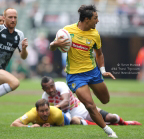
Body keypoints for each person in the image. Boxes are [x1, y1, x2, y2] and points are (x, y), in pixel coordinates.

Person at [49, 5, 118, 138]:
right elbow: (52, 47)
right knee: (90, 105)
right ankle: (109, 131)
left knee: (105, 100)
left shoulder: (95, 34)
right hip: (75, 76)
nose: (97, 21)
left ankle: (101, 114)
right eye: (95, 18)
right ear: (86, 19)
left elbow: (99, 54)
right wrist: (54, 45)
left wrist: (102, 70)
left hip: (93, 72)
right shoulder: (67, 31)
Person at [41, 76, 142, 126]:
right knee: (73, 121)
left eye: (51, 86)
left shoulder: (61, 85)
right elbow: (44, 113)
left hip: (77, 107)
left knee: (109, 117)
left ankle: (125, 123)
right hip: (66, 114)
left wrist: (53, 109)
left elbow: (66, 102)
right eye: (47, 88)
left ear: (54, 84)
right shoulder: (44, 96)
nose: (51, 90)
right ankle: (105, 124)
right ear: (43, 89)